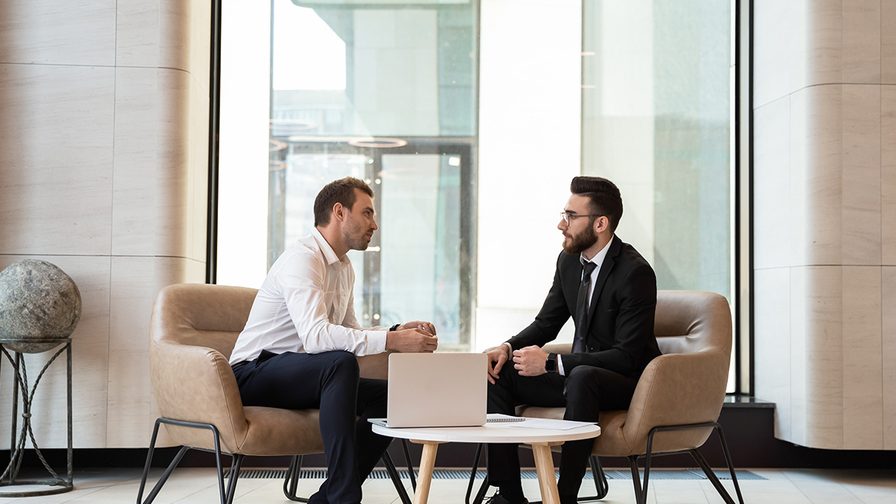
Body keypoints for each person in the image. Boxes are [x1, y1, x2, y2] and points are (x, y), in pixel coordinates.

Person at [228, 176, 439, 504]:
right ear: (339, 212)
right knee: (338, 364)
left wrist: (396, 331)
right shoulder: (303, 258)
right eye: (367, 213)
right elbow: (316, 338)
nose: (375, 224)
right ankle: (344, 497)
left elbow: (349, 331)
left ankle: (330, 496)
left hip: (304, 375)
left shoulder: (344, 268)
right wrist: (392, 341)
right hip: (253, 372)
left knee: (391, 398)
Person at [483, 176, 661, 504]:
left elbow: (627, 356)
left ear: (601, 223)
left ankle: (564, 497)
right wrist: (506, 348)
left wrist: (552, 362)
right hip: (576, 376)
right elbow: (546, 323)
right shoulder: (568, 261)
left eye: (570, 216)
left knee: (582, 377)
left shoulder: (635, 273)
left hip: (623, 380)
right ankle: (507, 493)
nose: (560, 224)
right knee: (498, 374)